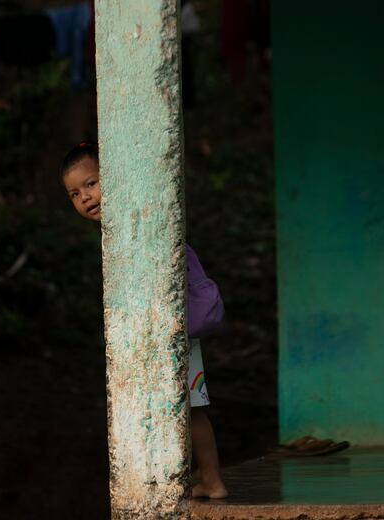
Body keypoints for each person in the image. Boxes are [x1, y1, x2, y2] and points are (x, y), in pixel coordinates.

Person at [60, 141, 229, 499]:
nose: (85, 198)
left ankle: (211, 480)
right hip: (170, 329)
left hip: (171, 328)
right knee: (191, 407)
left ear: (113, 177)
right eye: (75, 194)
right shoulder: (121, 225)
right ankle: (208, 479)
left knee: (191, 408)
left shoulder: (133, 220)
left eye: (91, 184)